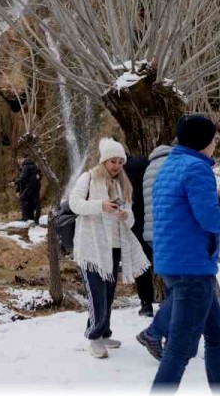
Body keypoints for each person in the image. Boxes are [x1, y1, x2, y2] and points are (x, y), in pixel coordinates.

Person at [150, 115, 220, 391]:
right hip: (191, 266)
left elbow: (186, 213)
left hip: (176, 261)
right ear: (203, 141)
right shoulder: (197, 169)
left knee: (218, 336)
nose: (216, 143)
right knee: (180, 349)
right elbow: (209, 220)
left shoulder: (170, 166)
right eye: (215, 138)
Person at [69, 139, 150, 359]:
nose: (116, 166)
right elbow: (74, 204)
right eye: (112, 161)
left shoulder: (122, 184)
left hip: (114, 246)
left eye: (120, 162)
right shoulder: (88, 178)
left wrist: (126, 215)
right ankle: (94, 336)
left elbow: (131, 218)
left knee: (108, 293)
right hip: (92, 246)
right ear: (104, 160)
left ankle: (103, 332)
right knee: (96, 294)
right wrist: (100, 206)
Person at [138, 144, 173, 351]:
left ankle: (168, 336)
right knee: (177, 290)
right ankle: (157, 334)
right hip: (170, 234)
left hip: (153, 235)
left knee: (174, 287)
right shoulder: (170, 165)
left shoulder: (149, 168)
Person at [123, 154, 155, 317]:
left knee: (140, 262)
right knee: (159, 258)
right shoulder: (146, 162)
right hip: (153, 215)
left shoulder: (122, 169)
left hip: (135, 219)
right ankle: (171, 297)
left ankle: (146, 303)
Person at [15, 156, 43, 224]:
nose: (19, 163)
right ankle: (32, 219)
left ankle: (28, 218)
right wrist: (17, 190)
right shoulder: (29, 165)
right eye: (18, 162)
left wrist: (14, 182)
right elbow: (20, 180)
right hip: (30, 186)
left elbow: (21, 178)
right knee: (33, 203)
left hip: (30, 186)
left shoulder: (27, 166)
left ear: (22, 159)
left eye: (19, 160)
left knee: (30, 202)